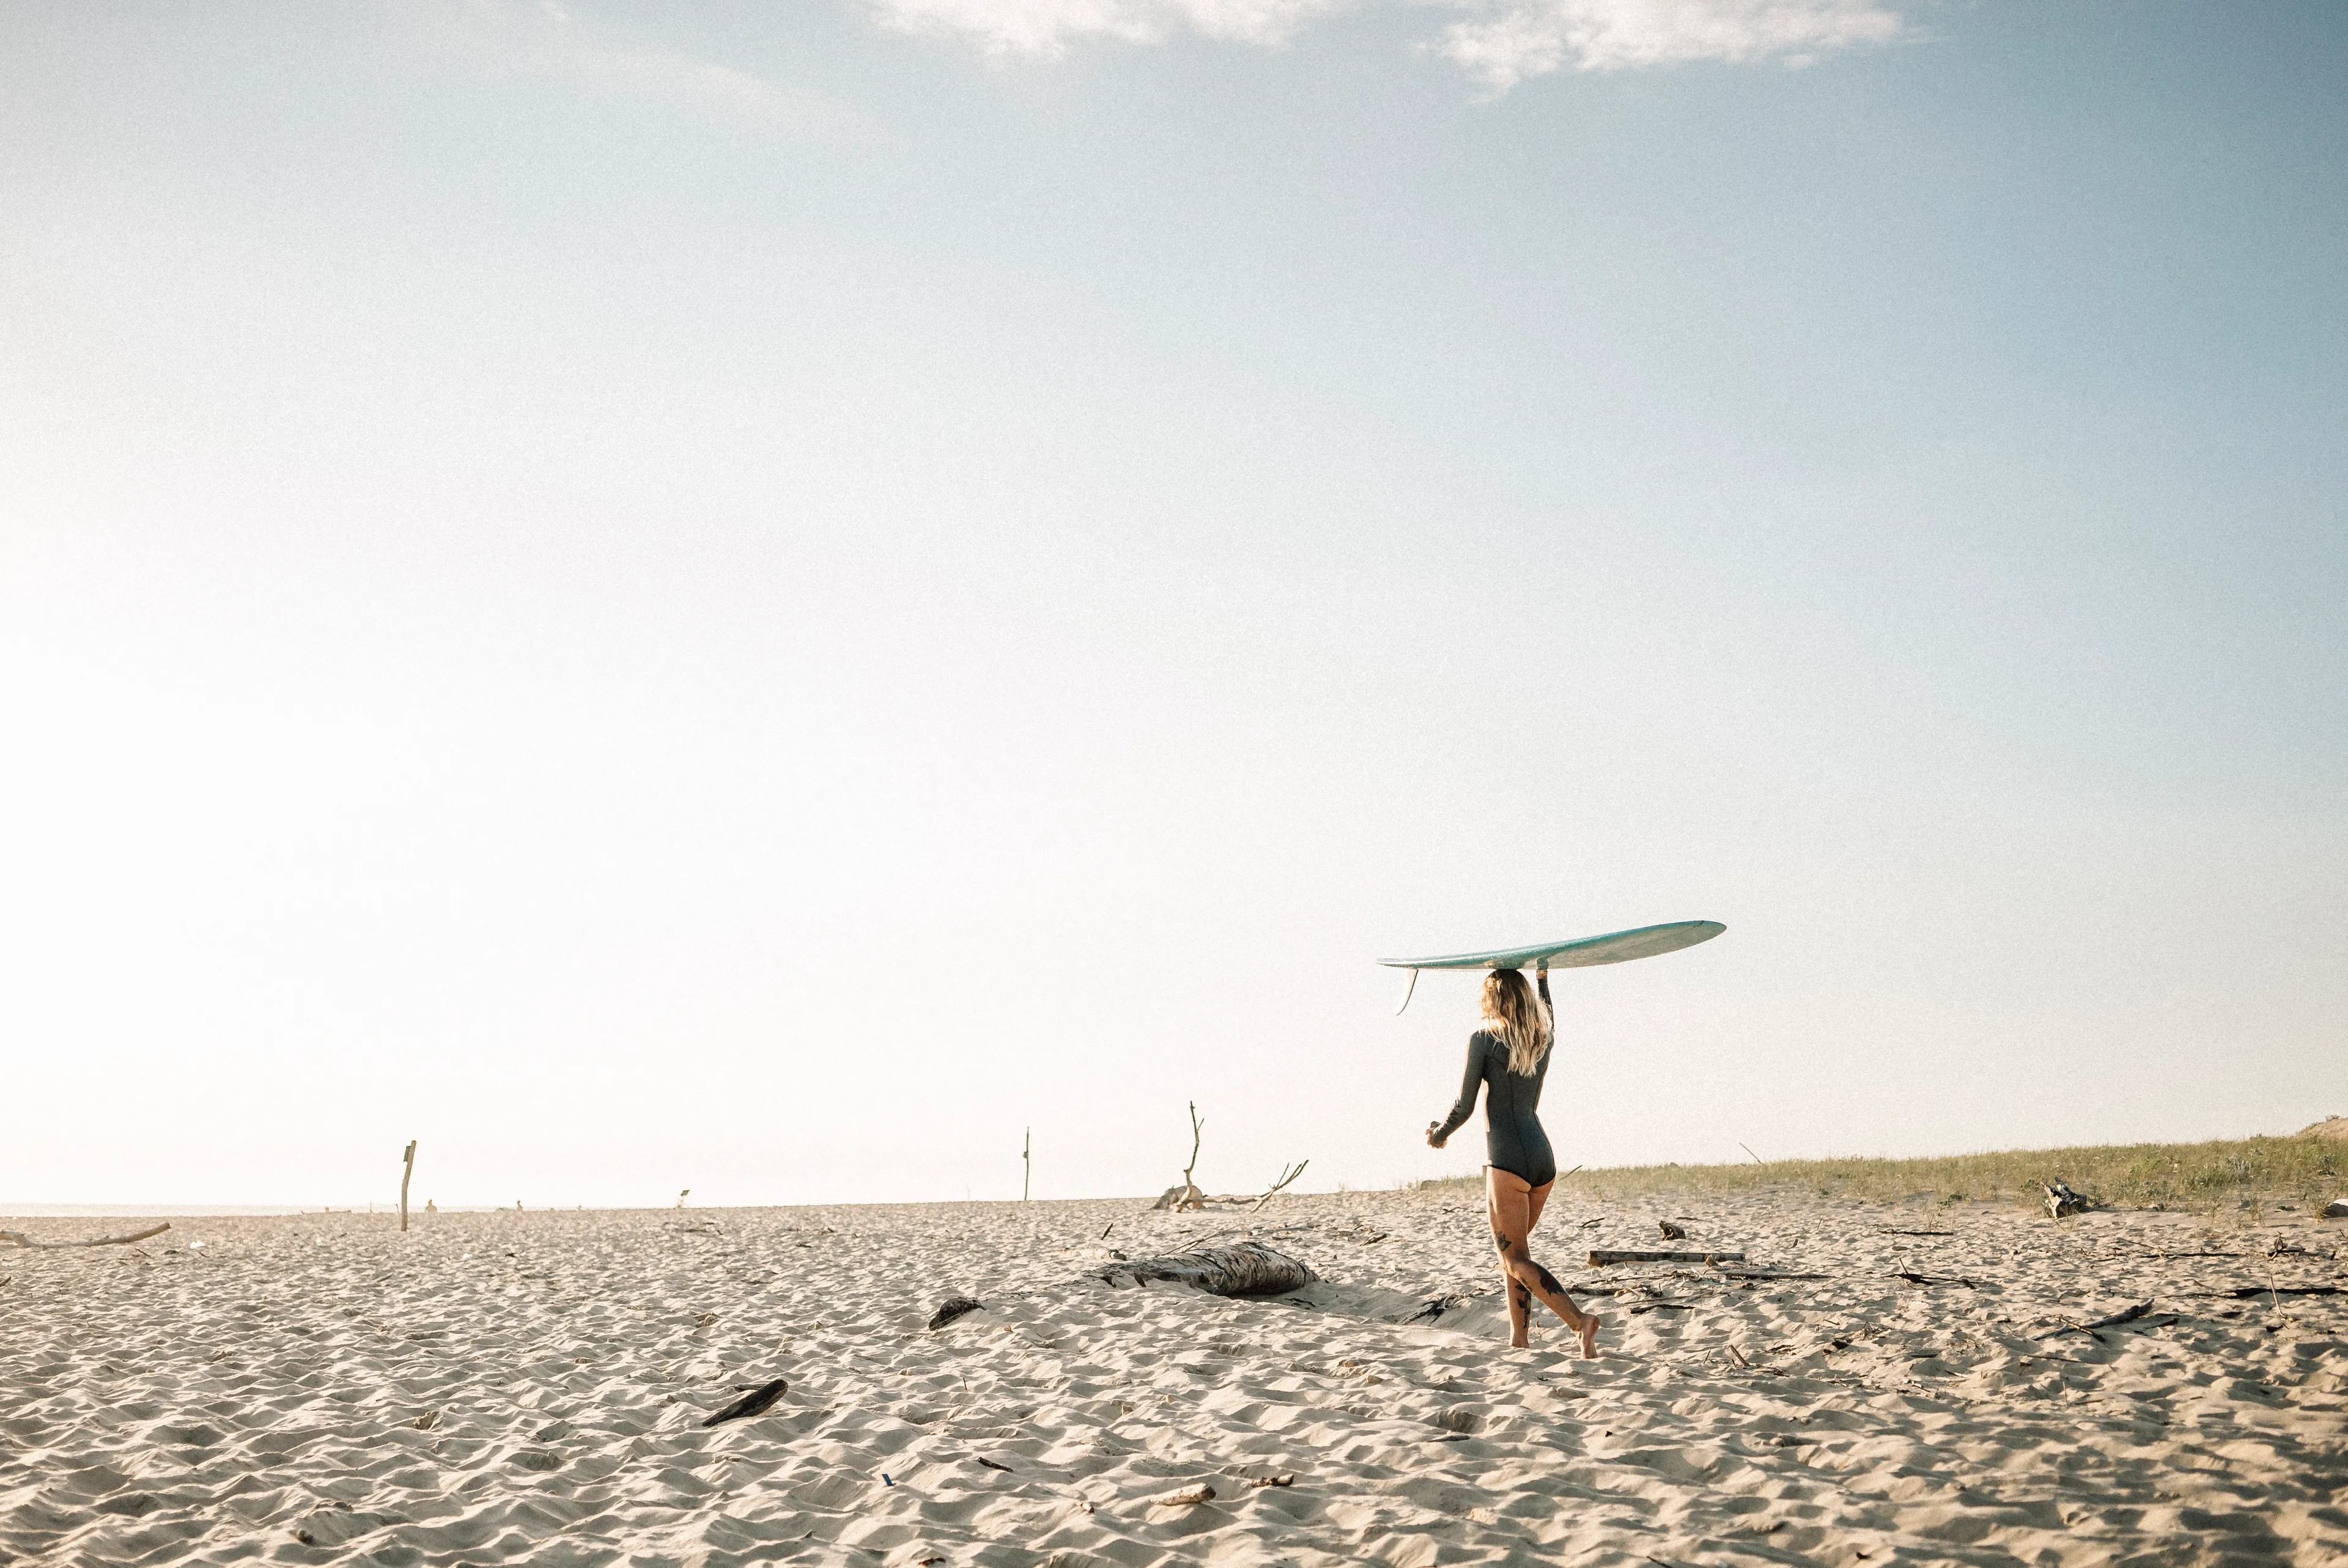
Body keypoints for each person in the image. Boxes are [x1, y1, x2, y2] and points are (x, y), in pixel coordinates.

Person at [1427, 967, 1603, 1356]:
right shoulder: (1543, 1039)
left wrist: (1439, 1134)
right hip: (1542, 1157)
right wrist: (1543, 980)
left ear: (1493, 998)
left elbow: (1464, 1106)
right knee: (1515, 1256)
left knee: (1514, 1256)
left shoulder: (1484, 1040)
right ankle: (1519, 1340)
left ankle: (1580, 1323)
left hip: (1506, 1158)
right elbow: (1550, 1015)